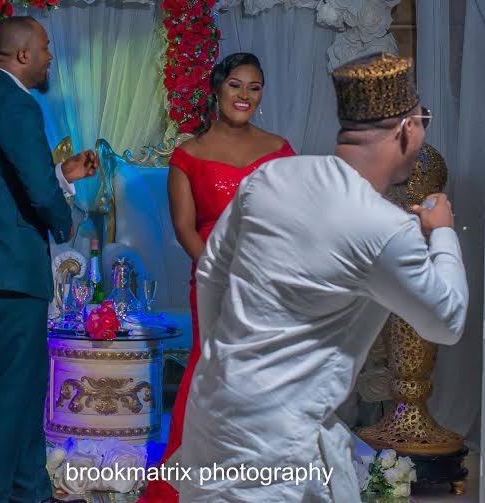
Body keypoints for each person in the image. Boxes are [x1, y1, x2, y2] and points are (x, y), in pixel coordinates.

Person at [178, 53, 468, 502]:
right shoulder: (384, 227)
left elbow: (213, 272)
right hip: (276, 444)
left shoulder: (271, 176)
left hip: (214, 411)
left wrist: (226, 364)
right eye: (423, 120)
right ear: (406, 130)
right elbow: (447, 321)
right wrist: (443, 231)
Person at [0, 16, 97, 503]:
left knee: (26, 380)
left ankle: (31, 490)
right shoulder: (16, 101)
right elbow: (35, 190)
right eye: (46, 48)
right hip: (7, 261)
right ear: (24, 55)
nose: (50, 57)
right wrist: (65, 222)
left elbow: (5, 180)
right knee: (14, 383)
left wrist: (60, 176)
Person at [139, 52, 295, 502]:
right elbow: (184, 228)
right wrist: (219, 273)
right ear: (217, 89)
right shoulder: (188, 156)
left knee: (265, 372)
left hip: (269, 280)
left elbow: (293, 218)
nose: (245, 95)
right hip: (213, 279)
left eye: (254, 87)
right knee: (211, 368)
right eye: (236, 85)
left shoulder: (280, 150)